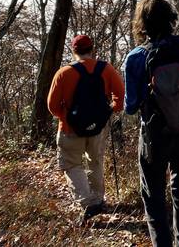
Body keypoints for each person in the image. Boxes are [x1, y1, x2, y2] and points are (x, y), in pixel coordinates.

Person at [123, 0, 179, 247]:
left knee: (153, 195)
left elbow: (130, 106)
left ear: (142, 23)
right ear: (171, 19)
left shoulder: (136, 57)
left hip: (154, 134)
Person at [47, 34, 125, 223]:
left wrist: (67, 118)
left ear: (73, 51)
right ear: (92, 49)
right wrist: (110, 110)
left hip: (69, 129)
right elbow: (121, 94)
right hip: (98, 127)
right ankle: (97, 199)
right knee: (95, 161)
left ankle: (88, 202)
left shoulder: (64, 73)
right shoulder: (105, 69)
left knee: (71, 164)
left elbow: (52, 105)